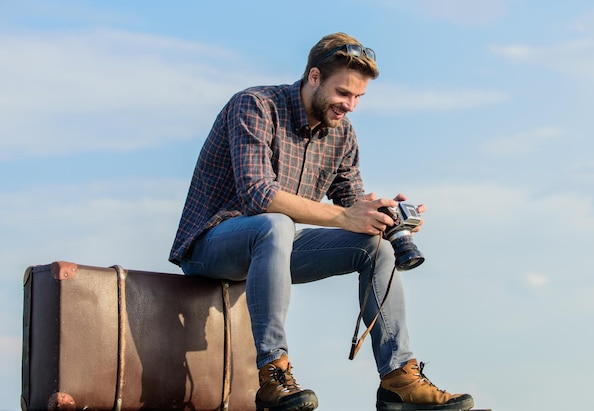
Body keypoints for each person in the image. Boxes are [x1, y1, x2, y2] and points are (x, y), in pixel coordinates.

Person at [169, 32, 474, 411]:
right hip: (211, 246)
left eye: (359, 97)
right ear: (314, 77)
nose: (351, 105)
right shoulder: (255, 105)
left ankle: (398, 378)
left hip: (274, 248)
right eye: (343, 93)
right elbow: (258, 196)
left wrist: (383, 214)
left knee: (376, 248)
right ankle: (273, 374)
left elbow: (350, 200)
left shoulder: (342, 133)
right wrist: (346, 216)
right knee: (275, 223)